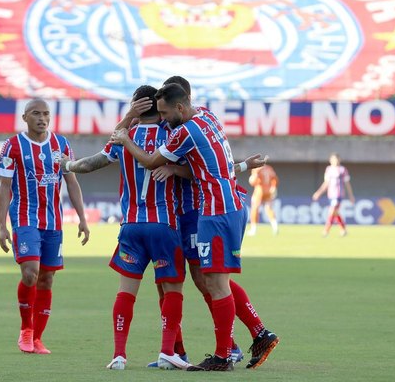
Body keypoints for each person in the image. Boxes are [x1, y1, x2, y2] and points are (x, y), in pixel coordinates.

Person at [110, 83, 278, 371]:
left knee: (207, 281)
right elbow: (215, 163)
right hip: (215, 208)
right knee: (203, 281)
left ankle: (230, 349)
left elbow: (151, 160)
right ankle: (197, 349)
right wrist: (241, 166)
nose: (162, 119)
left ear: (180, 105)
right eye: (158, 112)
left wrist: (127, 136)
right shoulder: (207, 116)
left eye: (166, 113)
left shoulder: (180, 132)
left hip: (201, 212)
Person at [61, 85, 190, 371]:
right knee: (173, 289)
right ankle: (168, 351)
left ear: (137, 106)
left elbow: (89, 165)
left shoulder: (123, 137)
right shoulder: (173, 135)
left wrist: (66, 164)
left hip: (131, 225)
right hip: (164, 224)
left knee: (126, 291)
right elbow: (196, 168)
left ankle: (119, 355)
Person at [0, 98, 90, 355]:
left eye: (46, 114)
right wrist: (1, 226)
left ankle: (37, 338)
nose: (42, 118)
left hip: (53, 221)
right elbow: (4, 188)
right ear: (25, 117)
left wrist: (82, 217)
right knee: (30, 273)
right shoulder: (12, 146)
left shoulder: (61, 145)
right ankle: (26, 330)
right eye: (36, 113)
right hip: (25, 218)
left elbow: (71, 182)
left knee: (47, 279)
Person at [312, 152, 355, 237]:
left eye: (336, 159)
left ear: (339, 160)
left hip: (339, 195)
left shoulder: (342, 170)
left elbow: (347, 184)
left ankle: (326, 230)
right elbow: (326, 183)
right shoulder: (328, 169)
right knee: (335, 213)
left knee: (332, 211)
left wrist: (351, 195)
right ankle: (343, 229)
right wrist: (318, 193)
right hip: (330, 195)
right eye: (333, 159)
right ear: (330, 160)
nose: (335, 161)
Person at [248, 164, 279, 236]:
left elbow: (253, 181)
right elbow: (275, 178)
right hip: (268, 190)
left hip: (259, 190)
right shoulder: (269, 168)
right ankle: (275, 227)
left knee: (255, 208)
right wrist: (273, 187)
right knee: (269, 208)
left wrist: (252, 178)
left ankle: (253, 230)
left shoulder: (257, 169)